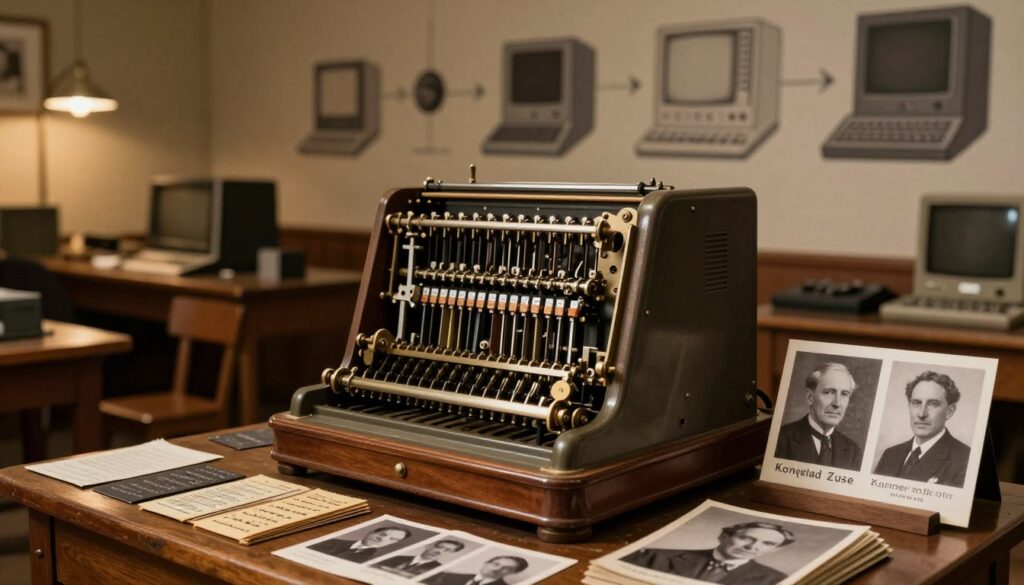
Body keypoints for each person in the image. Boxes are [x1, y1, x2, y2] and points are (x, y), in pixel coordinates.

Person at [874, 370, 970, 487]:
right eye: (916, 403)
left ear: (949, 412)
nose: (921, 414)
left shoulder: (965, 460)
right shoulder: (890, 454)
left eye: (933, 404)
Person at [622, 522, 792, 585]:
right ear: (723, 536)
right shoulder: (653, 556)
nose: (752, 547)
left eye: (767, 543)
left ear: (774, 549)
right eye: (747, 538)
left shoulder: (776, 580)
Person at [775, 362, 863, 470]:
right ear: (809, 397)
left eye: (844, 394)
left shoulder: (852, 450)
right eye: (829, 392)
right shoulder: (780, 439)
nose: (837, 403)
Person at [307, 526, 412, 563]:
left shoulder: (374, 560)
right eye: (382, 534)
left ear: (393, 543)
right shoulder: (330, 541)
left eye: (392, 539)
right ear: (371, 532)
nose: (382, 538)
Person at [372, 539, 465, 577]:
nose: (440, 551)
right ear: (428, 546)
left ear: (451, 554)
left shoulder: (439, 571)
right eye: (439, 547)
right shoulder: (395, 557)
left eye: (447, 550)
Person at [421, 555, 529, 585]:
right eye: (496, 564)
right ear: (487, 563)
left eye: (507, 568)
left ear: (514, 573)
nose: (498, 568)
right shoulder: (448, 576)